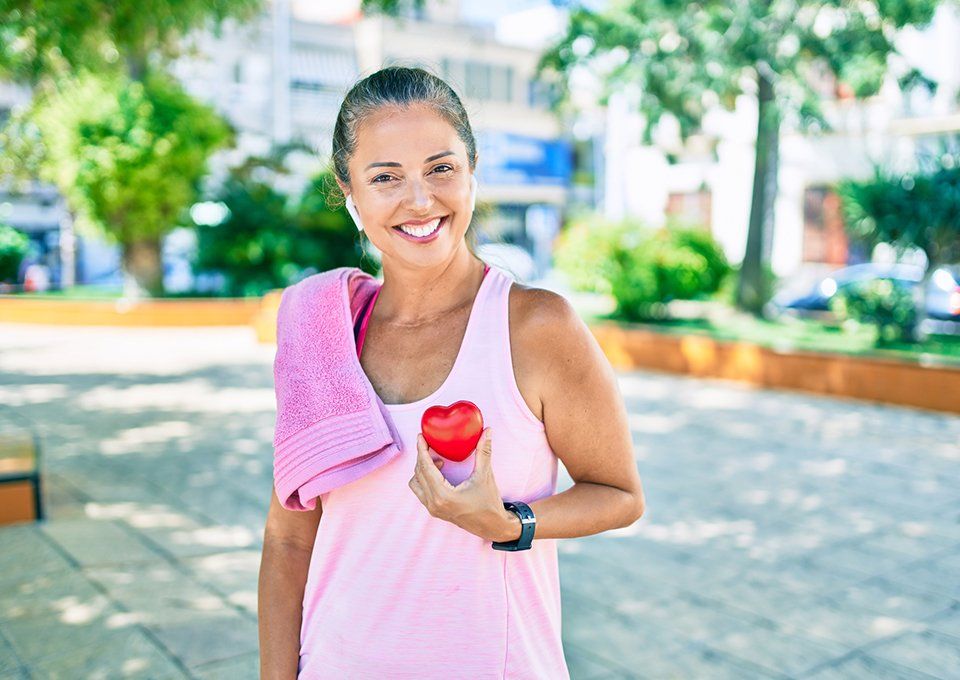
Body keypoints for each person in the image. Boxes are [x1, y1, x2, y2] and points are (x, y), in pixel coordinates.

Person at [258, 65, 645, 679]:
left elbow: (620, 496)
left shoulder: (536, 327)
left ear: (471, 172)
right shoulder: (323, 334)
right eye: (385, 178)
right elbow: (288, 538)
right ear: (350, 192)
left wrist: (509, 524)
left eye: (441, 168)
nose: (419, 200)